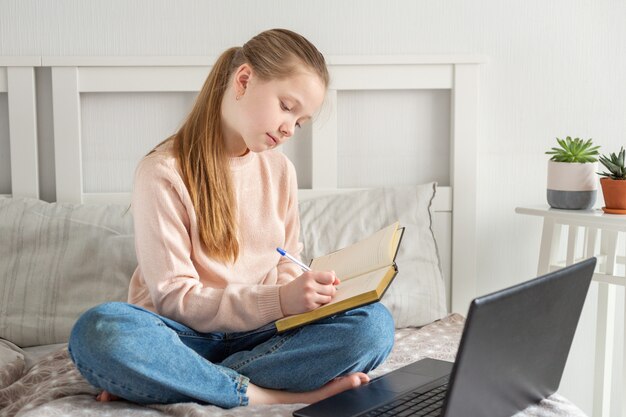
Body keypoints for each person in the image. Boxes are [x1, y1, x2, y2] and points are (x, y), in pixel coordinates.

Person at [68, 28, 395, 408]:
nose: (290, 128)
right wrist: (280, 300)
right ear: (243, 80)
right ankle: (262, 394)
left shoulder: (280, 171)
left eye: (301, 121)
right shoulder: (163, 172)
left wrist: (302, 295)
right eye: (287, 107)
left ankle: (175, 379)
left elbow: (285, 261)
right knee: (100, 331)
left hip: (260, 337)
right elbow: (175, 299)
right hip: (180, 335)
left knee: (374, 326)